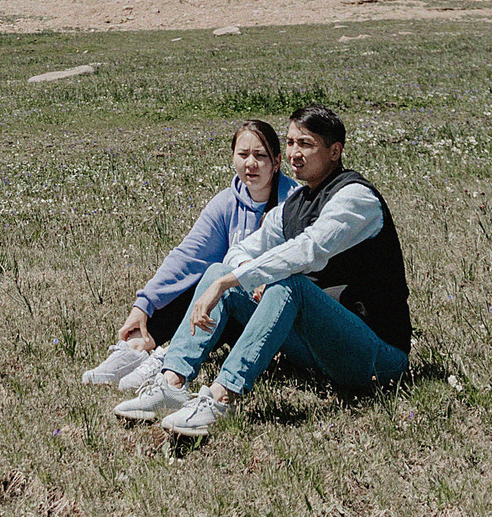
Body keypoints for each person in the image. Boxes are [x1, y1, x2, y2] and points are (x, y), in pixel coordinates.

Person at [112, 104, 410, 436]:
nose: (295, 153)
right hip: (318, 354)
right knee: (215, 270)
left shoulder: (355, 198)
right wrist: (227, 277)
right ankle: (172, 383)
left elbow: (308, 250)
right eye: (291, 142)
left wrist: (232, 280)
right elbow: (244, 250)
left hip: (376, 357)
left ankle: (222, 397)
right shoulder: (294, 206)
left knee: (287, 285)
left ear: (335, 151)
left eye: (306, 144)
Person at [80, 119, 286, 390]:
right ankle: (137, 347)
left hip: (269, 314)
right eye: (243, 154)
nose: (251, 164)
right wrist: (144, 305)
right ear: (232, 157)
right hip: (230, 304)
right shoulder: (226, 202)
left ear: (278, 162)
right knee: (195, 280)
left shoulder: (291, 202)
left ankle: (168, 357)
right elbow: (188, 257)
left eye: (261, 156)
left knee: (220, 283)